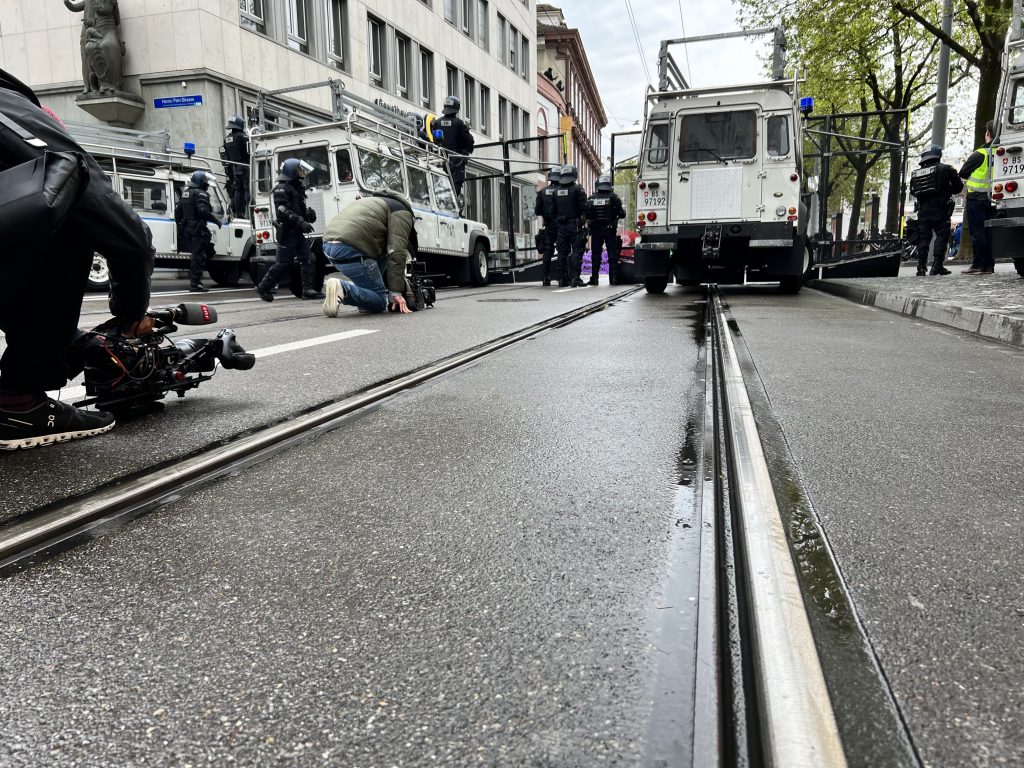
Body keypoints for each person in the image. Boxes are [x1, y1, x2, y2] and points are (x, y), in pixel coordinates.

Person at [0, 67, 153, 450]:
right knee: (67, 221)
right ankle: (19, 403)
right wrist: (130, 311)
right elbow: (128, 235)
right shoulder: (15, 114)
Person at [321, 191, 416, 316]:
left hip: (328, 246)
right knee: (380, 301)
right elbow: (396, 252)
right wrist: (396, 292)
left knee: (382, 256)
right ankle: (343, 289)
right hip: (354, 247)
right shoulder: (402, 212)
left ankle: (365, 300)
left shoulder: (370, 202)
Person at [256, 158, 325, 302]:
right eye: (299, 171)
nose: (302, 174)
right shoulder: (282, 188)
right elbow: (282, 211)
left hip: (297, 232)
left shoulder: (295, 188)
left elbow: (297, 209)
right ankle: (263, 288)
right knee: (283, 263)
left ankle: (307, 290)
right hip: (287, 232)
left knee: (307, 259)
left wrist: (308, 215)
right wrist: (301, 222)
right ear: (291, 172)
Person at [909, 144, 963, 276]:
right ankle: (937, 266)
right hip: (940, 208)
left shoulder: (915, 174)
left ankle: (921, 267)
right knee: (942, 235)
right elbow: (958, 187)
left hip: (923, 211)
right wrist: (946, 190)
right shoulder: (946, 169)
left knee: (923, 238)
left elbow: (913, 192)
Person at [174, 170, 221, 293]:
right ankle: (196, 284)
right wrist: (216, 220)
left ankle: (195, 283)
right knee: (198, 257)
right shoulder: (201, 194)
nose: (208, 185)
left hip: (186, 228)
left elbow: (177, 213)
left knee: (196, 255)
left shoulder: (186, 193)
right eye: (206, 182)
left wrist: (181, 226)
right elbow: (203, 212)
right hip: (197, 228)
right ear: (201, 182)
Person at [959, 120, 995, 275]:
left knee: (978, 232)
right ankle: (988, 266)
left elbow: (962, 172)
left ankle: (977, 265)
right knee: (989, 232)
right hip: (994, 198)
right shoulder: (1001, 151)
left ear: (988, 133)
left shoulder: (979, 154)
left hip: (977, 197)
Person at [585, 174, 626, 285]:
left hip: (596, 230)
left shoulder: (591, 198)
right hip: (610, 229)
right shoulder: (614, 197)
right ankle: (613, 278)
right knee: (612, 254)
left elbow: (587, 214)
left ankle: (594, 278)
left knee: (596, 254)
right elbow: (622, 214)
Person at [554, 164, 588, 287]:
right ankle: (575, 278)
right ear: (574, 174)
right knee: (577, 251)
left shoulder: (556, 191)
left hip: (561, 227)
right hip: (575, 225)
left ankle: (562, 279)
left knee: (561, 252)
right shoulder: (578, 190)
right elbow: (585, 207)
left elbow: (552, 210)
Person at [434, 96, 474, 197]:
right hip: (457, 159)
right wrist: (467, 151)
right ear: (456, 108)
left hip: (442, 158)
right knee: (456, 184)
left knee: (443, 183)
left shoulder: (437, 123)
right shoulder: (460, 123)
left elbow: (435, 141)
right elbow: (469, 141)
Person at [533, 166, 561, 286]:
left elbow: (537, 211)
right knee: (562, 251)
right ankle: (562, 277)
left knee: (548, 252)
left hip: (548, 226)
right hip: (561, 226)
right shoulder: (562, 191)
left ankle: (545, 277)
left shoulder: (542, 192)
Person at [222, 115, 251, 217]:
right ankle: (251, 211)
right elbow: (251, 151)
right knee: (248, 189)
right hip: (245, 166)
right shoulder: (242, 137)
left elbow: (227, 156)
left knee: (239, 190)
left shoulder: (227, 139)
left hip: (235, 168)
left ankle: (239, 213)